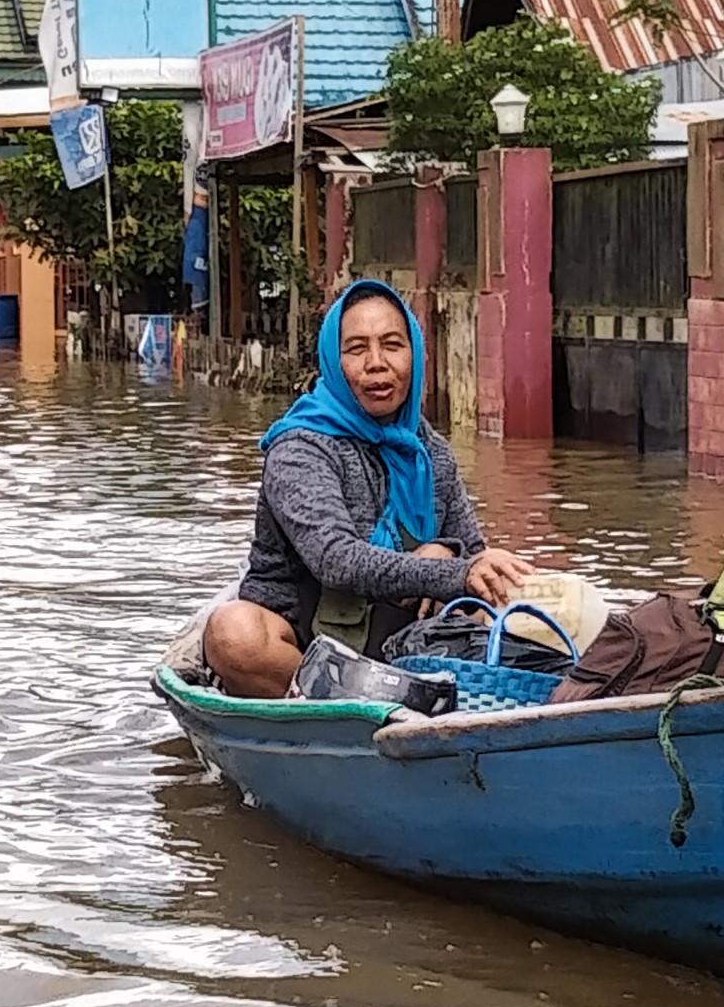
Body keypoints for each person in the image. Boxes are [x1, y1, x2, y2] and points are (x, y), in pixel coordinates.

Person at [204, 278, 535, 697]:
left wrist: (449, 555)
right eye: (357, 349)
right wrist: (445, 570)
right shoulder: (300, 448)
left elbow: (473, 554)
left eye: (392, 345)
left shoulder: (429, 451)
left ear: (414, 355)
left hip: (403, 642)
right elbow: (336, 560)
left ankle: (410, 696)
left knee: (523, 610)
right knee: (233, 633)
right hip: (304, 641)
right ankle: (352, 705)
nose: (376, 363)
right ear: (332, 360)